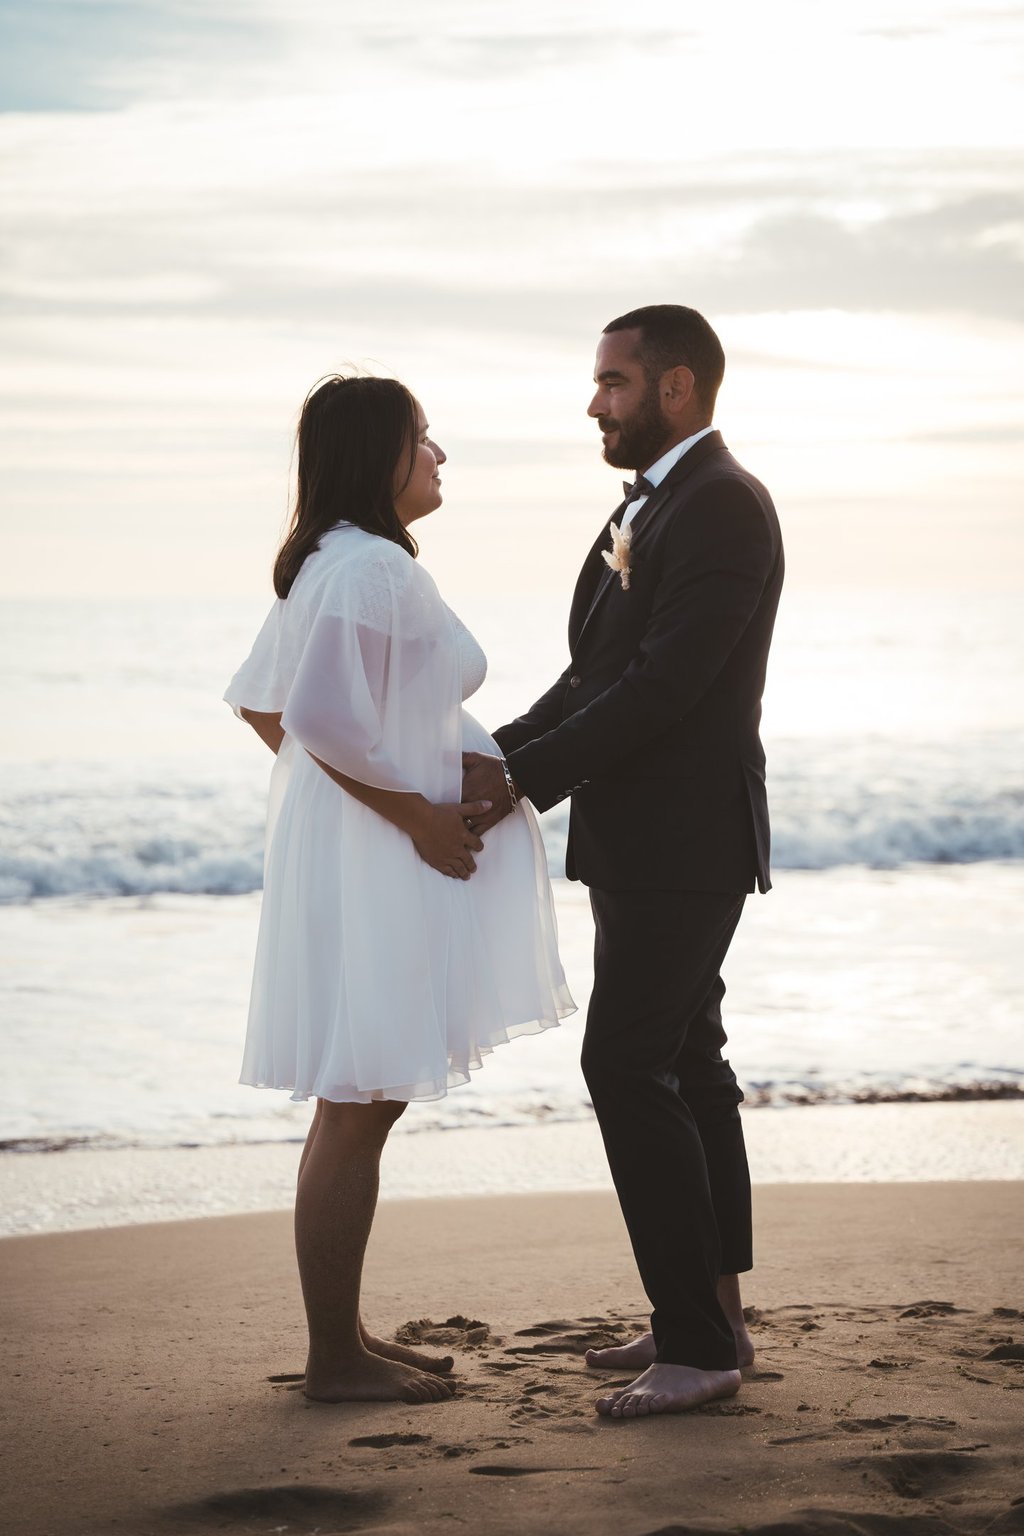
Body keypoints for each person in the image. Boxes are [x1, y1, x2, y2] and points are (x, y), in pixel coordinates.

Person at [225, 374, 574, 1406]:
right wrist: (409, 811)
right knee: (359, 1102)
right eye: (423, 438)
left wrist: (386, 782)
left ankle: (347, 1335)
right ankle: (335, 1356)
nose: (439, 455)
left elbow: (265, 709)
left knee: (359, 1103)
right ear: (379, 454)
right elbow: (321, 720)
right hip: (383, 859)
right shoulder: (370, 570)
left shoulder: (332, 562)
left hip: (359, 855)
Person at [462, 305, 784, 1419]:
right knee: (689, 1066)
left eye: (611, 383)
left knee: (626, 1065)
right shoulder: (647, 507)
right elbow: (596, 672)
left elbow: (665, 689)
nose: (593, 403)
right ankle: (713, 1321)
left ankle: (695, 1347)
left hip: (687, 843)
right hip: (640, 842)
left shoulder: (723, 509)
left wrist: (515, 782)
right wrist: (486, 755)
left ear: (676, 387)